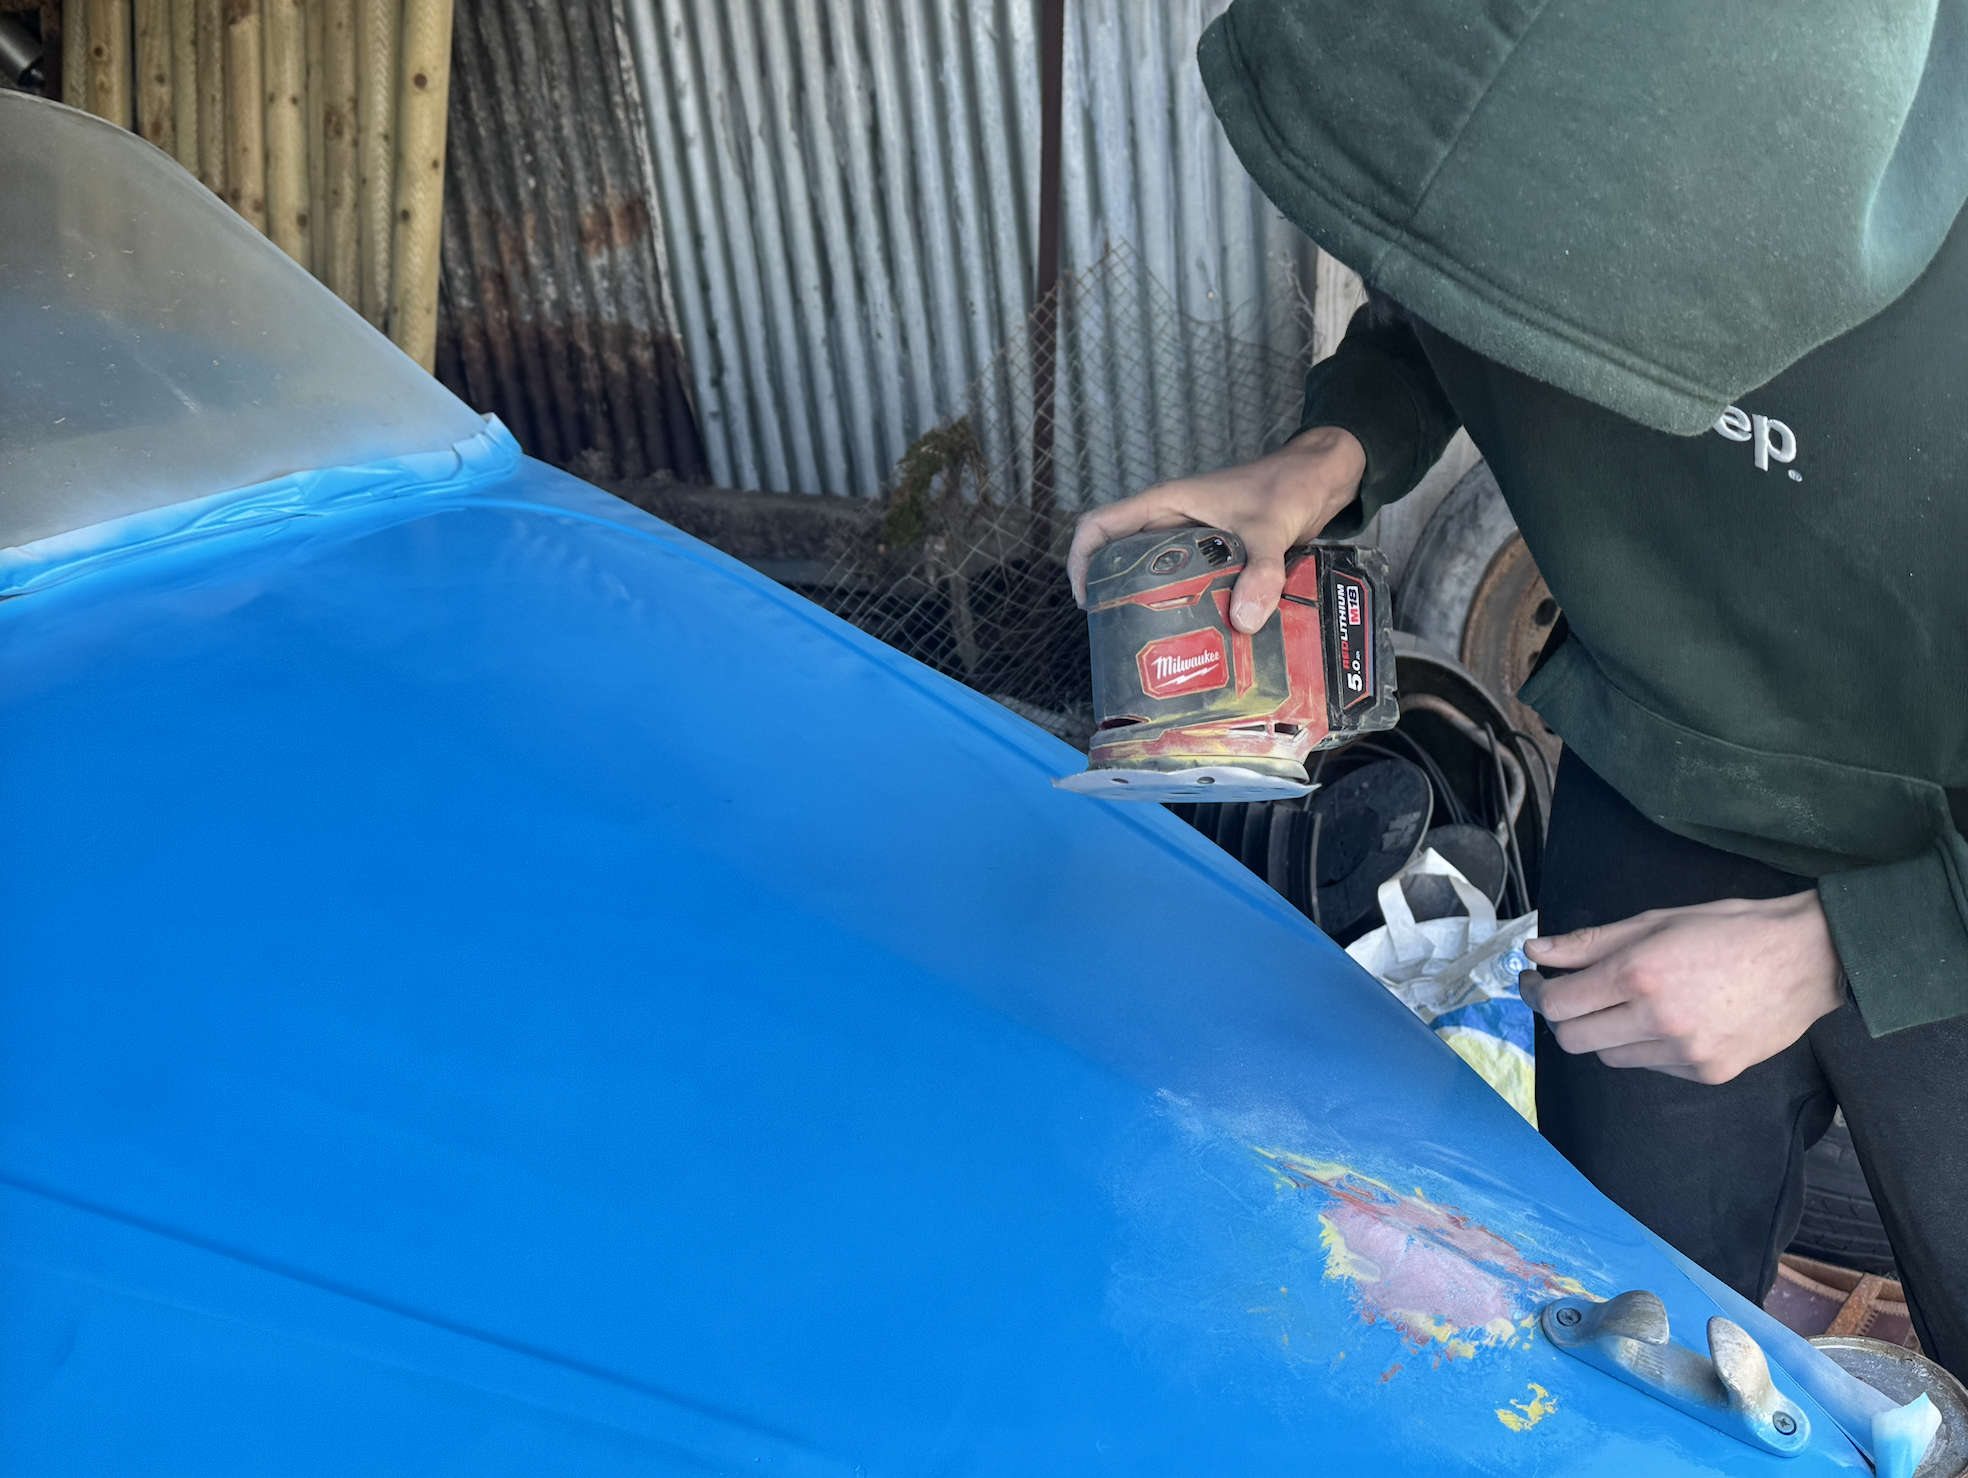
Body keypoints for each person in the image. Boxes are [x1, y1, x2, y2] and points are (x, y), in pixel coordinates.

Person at [1069, 0, 1968, 1374]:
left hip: (1943, 853)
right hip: (1664, 771)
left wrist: (1837, 949)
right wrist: (1336, 448)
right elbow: (1470, 260)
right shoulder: (1523, 133)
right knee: (1623, 1342)